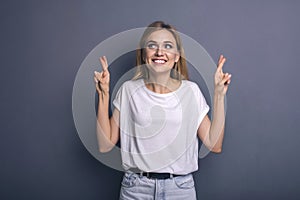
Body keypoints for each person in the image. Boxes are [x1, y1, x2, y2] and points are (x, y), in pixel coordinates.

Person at [94, 21, 232, 200]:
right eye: (152, 45)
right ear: (144, 54)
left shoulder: (191, 91)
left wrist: (219, 95)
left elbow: (215, 144)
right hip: (136, 189)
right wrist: (104, 94)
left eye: (168, 46)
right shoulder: (129, 90)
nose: (160, 52)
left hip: (180, 190)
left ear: (176, 56)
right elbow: (105, 145)